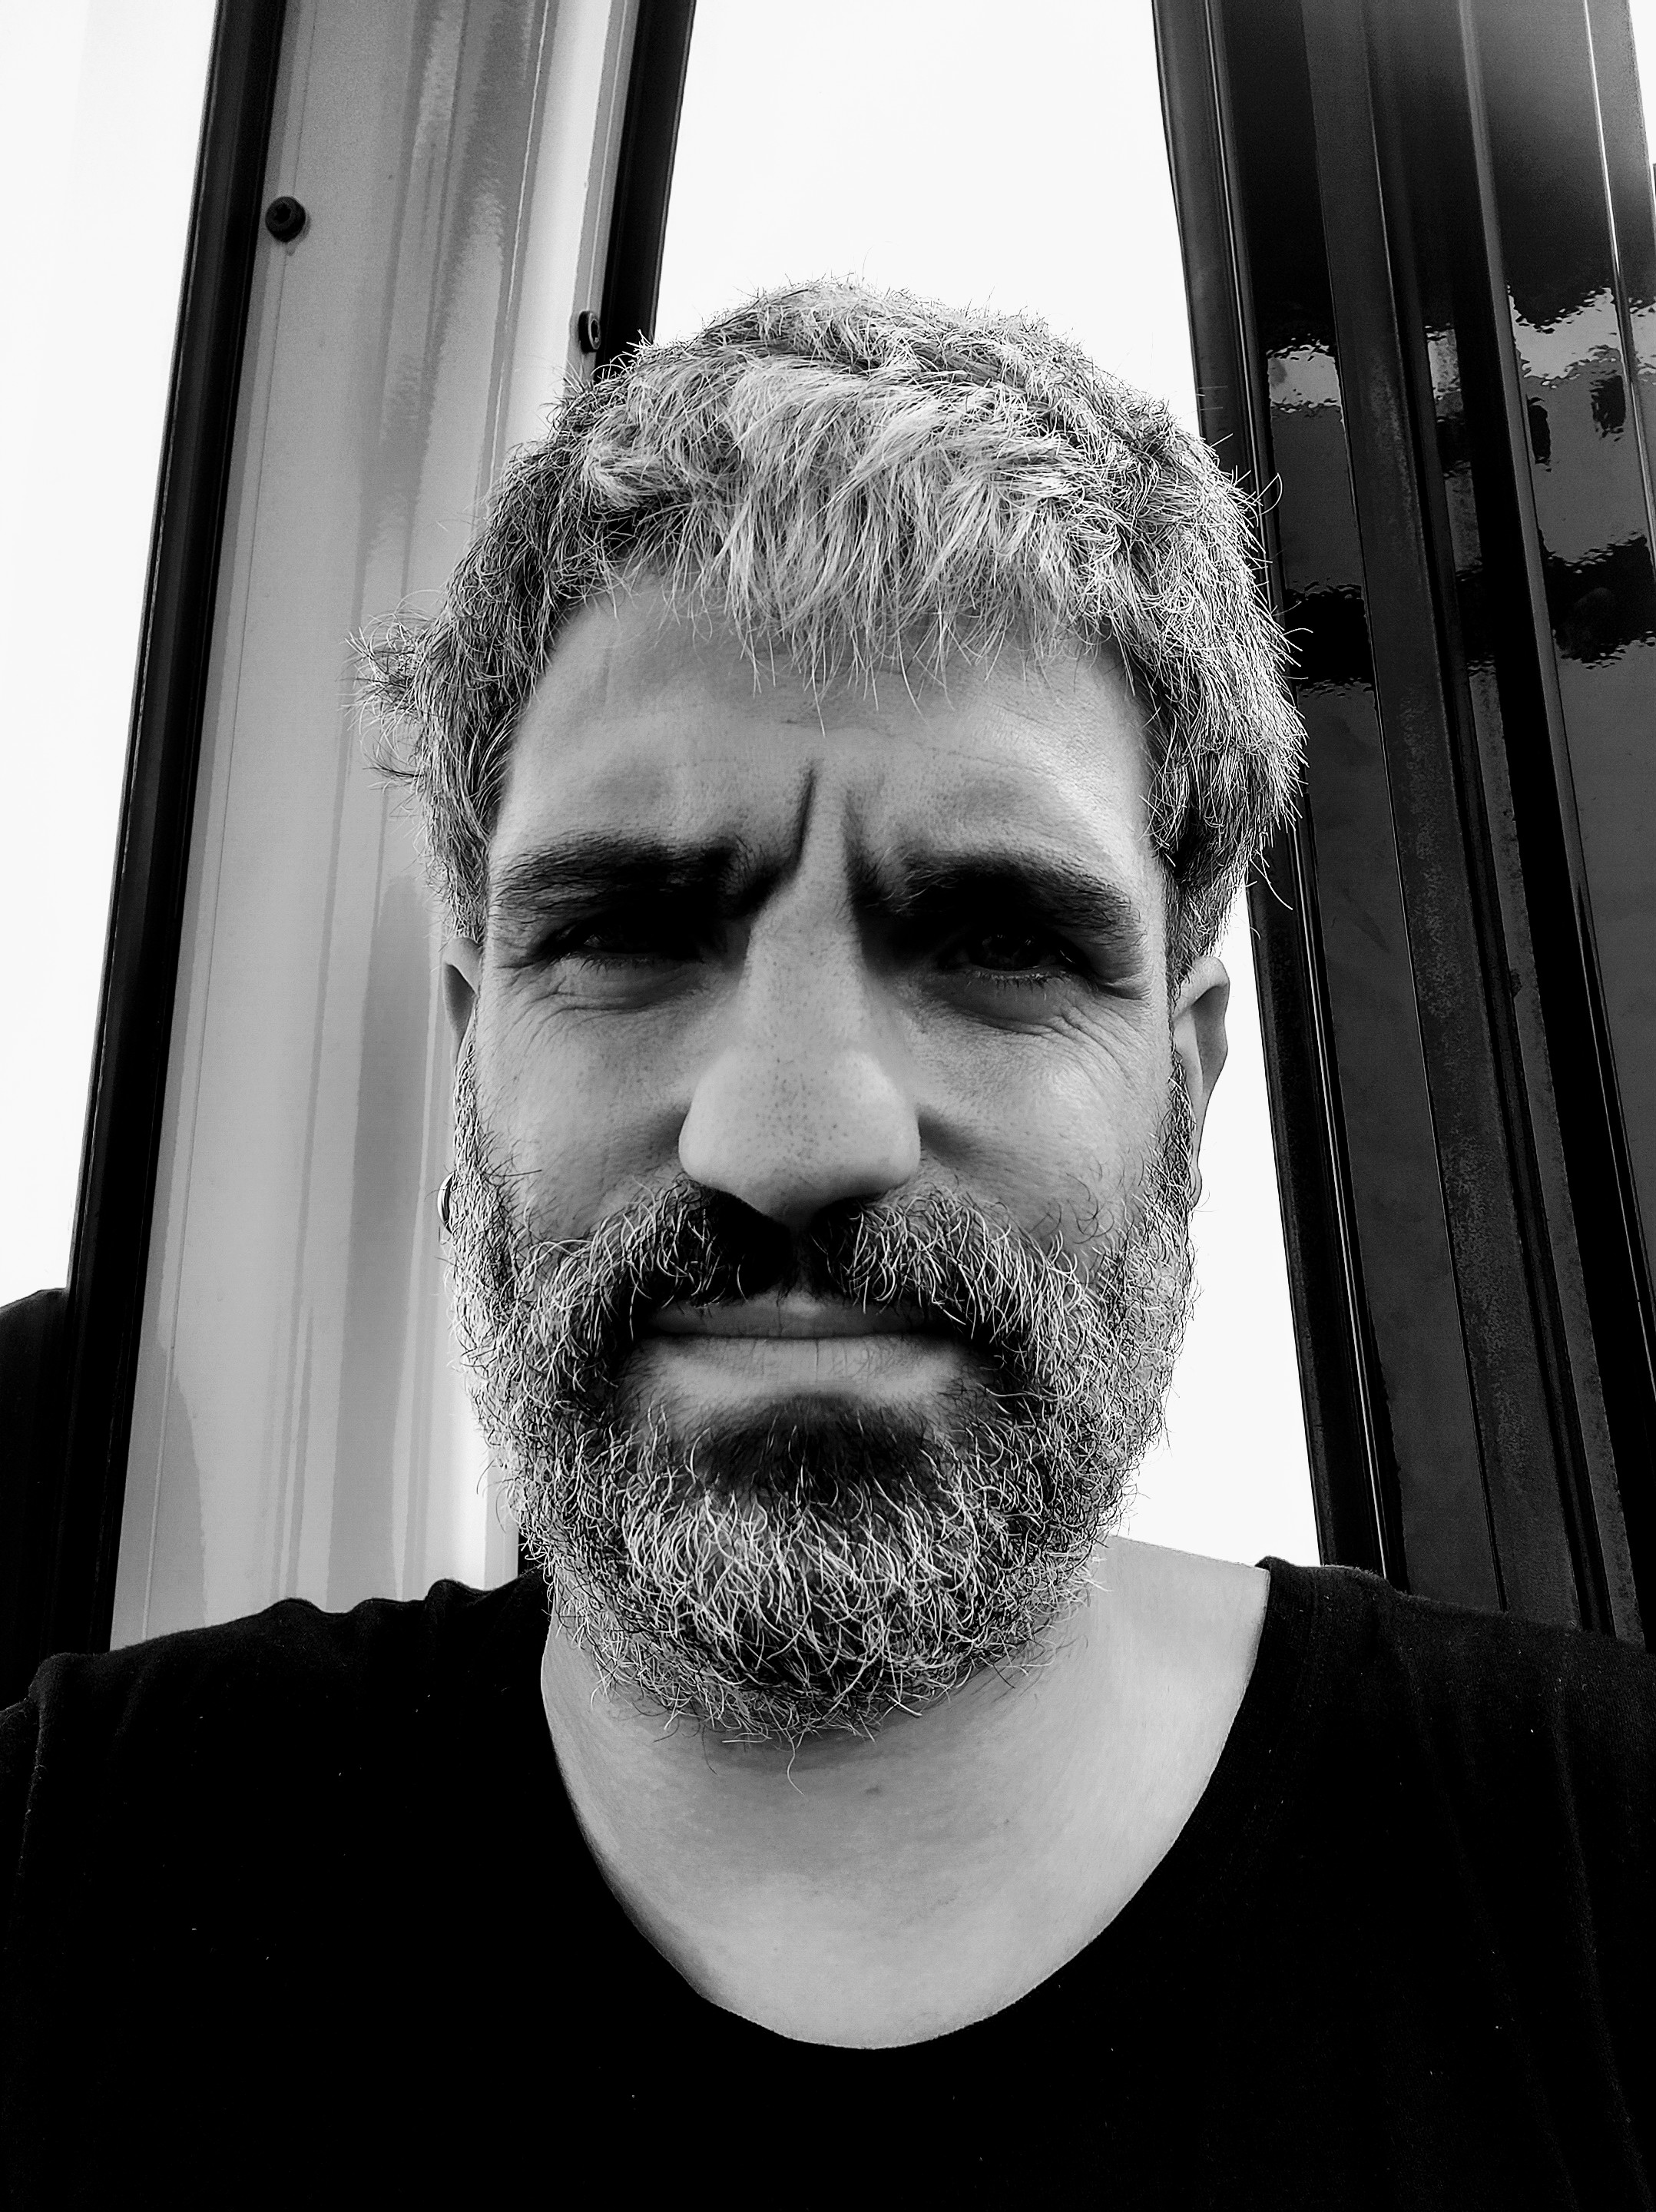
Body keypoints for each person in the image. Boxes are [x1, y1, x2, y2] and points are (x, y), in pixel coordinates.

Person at [2, 282, 1652, 2207]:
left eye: (994, 942)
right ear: (472, 1061)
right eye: (626, 933)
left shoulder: (1612, 1886)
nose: (787, 1138)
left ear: (1187, 1084)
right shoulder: (67, 1869)